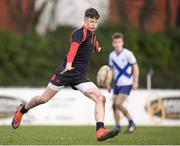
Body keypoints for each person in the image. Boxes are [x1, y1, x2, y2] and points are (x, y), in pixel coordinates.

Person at [12, 8, 118, 141]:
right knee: (43, 99)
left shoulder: (93, 35)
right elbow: (73, 49)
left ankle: (100, 131)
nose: (93, 24)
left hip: (80, 76)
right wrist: (69, 63)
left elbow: (93, 45)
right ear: (85, 20)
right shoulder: (80, 33)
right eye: (91, 21)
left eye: (96, 22)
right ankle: (22, 110)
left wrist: (97, 48)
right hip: (65, 72)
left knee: (100, 98)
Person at [108, 32, 139, 134]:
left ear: (122, 43)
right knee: (114, 105)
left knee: (118, 104)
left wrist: (135, 82)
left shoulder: (128, 54)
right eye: (115, 42)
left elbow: (135, 67)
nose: (117, 44)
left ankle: (131, 122)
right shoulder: (111, 55)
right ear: (113, 43)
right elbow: (112, 70)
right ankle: (117, 127)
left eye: (119, 42)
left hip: (127, 83)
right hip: (117, 84)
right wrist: (108, 83)